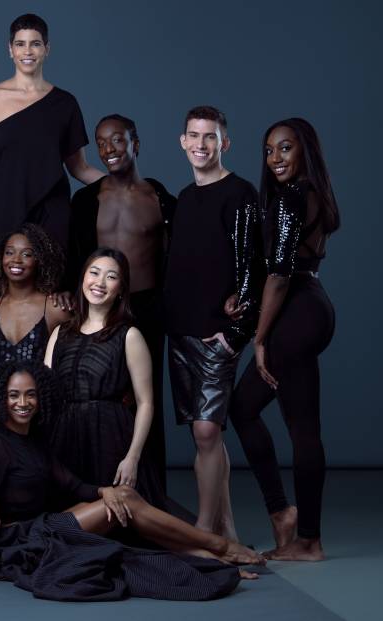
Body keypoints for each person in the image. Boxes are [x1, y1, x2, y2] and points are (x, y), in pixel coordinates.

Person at [0, 361, 262, 601]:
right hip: (21, 541)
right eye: (14, 395)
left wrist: (103, 492)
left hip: (43, 526)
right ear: (0, 400)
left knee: (122, 496)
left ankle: (208, 554)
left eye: (30, 394)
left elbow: (74, 486)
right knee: (125, 501)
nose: (23, 403)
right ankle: (219, 546)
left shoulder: (34, 441)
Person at [230, 118, 339, 561]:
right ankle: (292, 520)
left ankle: (307, 538)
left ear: (304, 151)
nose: (275, 159)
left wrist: (259, 339)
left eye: (286, 149)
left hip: (296, 312)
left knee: (297, 427)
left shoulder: (291, 198)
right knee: (254, 411)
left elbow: (278, 274)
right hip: (312, 304)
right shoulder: (313, 194)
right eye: (269, 151)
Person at [164, 106, 262, 539]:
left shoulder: (240, 193)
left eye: (210, 137)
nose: (201, 145)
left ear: (225, 143)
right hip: (180, 331)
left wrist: (237, 335)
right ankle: (227, 530)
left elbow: (251, 268)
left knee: (207, 430)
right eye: (194, 136)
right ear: (182, 141)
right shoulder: (184, 198)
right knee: (203, 437)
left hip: (215, 336)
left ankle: (204, 529)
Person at [66, 114, 176, 489]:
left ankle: (151, 489)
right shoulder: (86, 199)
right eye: (101, 142)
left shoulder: (158, 198)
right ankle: (99, 485)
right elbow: (74, 255)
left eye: (117, 140)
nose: (109, 149)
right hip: (100, 307)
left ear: (136, 143)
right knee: (100, 396)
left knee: (147, 398)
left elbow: (177, 257)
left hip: (145, 308)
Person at [0, 13, 102, 264]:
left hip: (53, 208)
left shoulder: (65, 103)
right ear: (10, 49)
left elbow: (80, 168)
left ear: (46, 49)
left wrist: (124, 185)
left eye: (35, 43)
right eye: (20, 44)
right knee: (3, 285)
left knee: (54, 290)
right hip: (7, 206)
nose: (27, 51)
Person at [45, 248, 164, 508]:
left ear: (121, 288)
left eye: (111, 277)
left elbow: (145, 403)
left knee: (121, 522)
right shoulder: (60, 333)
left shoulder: (129, 335)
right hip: (65, 438)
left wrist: (132, 457)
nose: (99, 283)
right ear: (83, 278)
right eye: (94, 273)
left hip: (111, 440)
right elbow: (45, 390)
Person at [0, 223, 70, 477]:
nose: (17, 260)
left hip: (38, 402)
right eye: (10, 252)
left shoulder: (56, 308)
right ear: (0, 259)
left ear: (39, 260)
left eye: (27, 253)